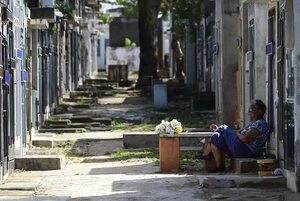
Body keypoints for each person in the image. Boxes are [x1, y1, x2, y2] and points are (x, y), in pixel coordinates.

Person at [195, 99, 269, 173]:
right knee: (216, 136)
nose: (249, 110)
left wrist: (225, 130)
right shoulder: (252, 123)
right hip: (239, 148)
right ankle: (220, 167)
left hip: (246, 150)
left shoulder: (260, 124)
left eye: (253, 108)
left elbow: (244, 139)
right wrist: (219, 130)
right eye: (250, 107)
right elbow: (237, 132)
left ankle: (206, 154)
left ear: (260, 111)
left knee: (223, 127)